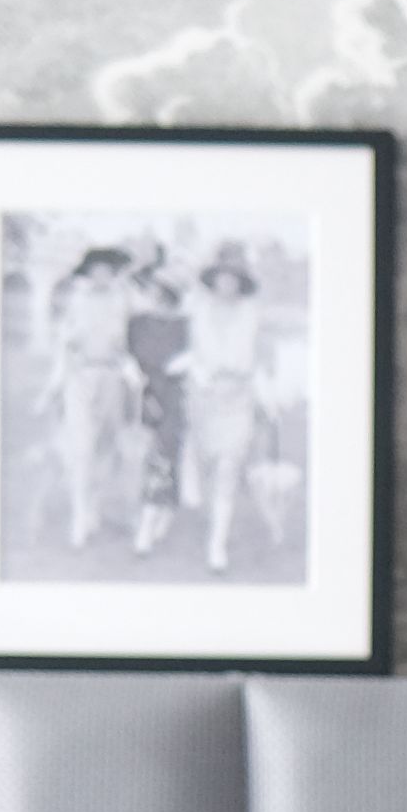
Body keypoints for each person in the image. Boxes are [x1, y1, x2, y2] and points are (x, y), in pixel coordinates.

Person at [175, 242, 266, 575]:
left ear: (241, 283)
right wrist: (195, 373)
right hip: (203, 396)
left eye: (235, 279)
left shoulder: (253, 312)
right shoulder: (196, 309)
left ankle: (217, 544)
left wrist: (267, 394)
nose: (228, 284)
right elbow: (184, 346)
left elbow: (261, 358)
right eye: (222, 278)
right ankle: (194, 488)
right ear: (213, 280)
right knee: (206, 463)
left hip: (238, 397)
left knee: (229, 468)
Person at [42, 245, 137, 551]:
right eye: (96, 271)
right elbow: (63, 346)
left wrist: (132, 373)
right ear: (88, 273)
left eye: (107, 271)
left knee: (107, 449)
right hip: (80, 378)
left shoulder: (124, 302)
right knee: (81, 448)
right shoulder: (76, 301)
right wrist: (55, 384)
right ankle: (78, 518)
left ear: (113, 274)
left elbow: (130, 343)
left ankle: (94, 506)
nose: (101, 276)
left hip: (112, 378)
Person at [124, 247, 192, 559]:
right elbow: (122, 352)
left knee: (163, 457)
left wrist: (186, 363)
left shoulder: (184, 326)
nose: (151, 294)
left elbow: (197, 357)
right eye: (148, 288)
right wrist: (129, 370)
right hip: (138, 395)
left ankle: (148, 525)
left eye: (158, 289)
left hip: (170, 398)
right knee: (139, 459)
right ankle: (157, 509)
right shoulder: (136, 323)